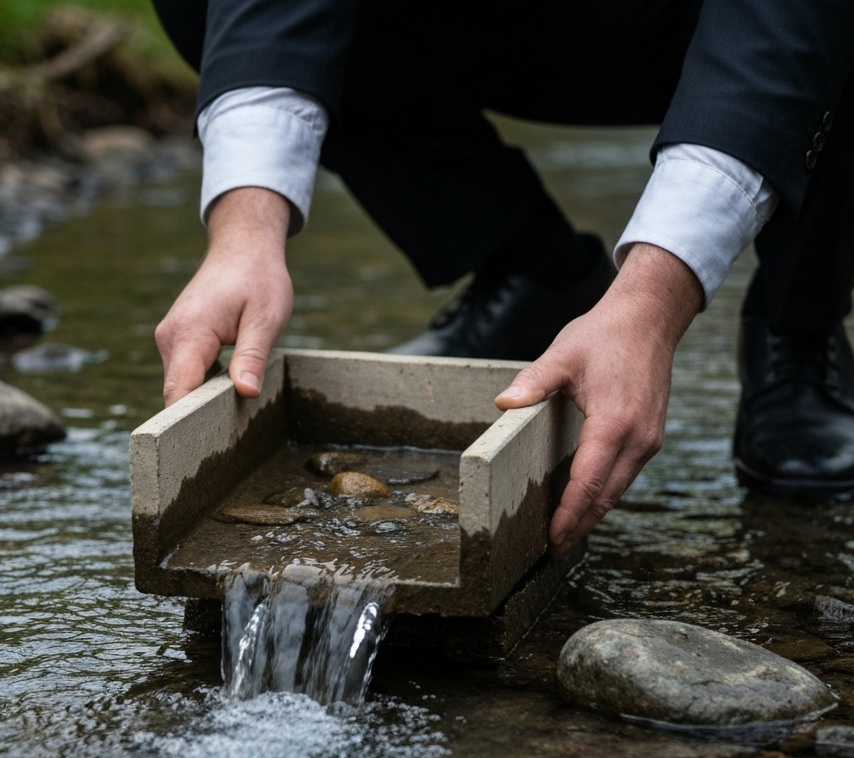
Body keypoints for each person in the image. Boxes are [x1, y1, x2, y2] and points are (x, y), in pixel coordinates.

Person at [148, 0, 854, 556]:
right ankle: (531, 269)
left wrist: (650, 305)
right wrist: (244, 231)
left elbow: (784, 23)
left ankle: (798, 327)